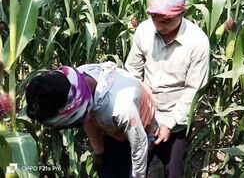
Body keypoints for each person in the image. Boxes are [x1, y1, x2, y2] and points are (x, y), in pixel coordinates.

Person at [25, 62, 157, 178]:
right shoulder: (79, 83)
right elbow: (89, 120)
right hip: (113, 130)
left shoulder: (121, 107)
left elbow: (139, 144)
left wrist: (137, 175)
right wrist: (99, 152)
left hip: (142, 129)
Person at [125, 0, 210, 177]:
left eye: (166, 21)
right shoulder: (144, 30)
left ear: (182, 13)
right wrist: (138, 113)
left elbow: (193, 90)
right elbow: (132, 72)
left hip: (176, 120)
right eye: (155, 18)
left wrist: (169, 124)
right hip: (144, 120)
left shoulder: (197, 42)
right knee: (134, 169)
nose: (159, 25)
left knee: (173, 172)